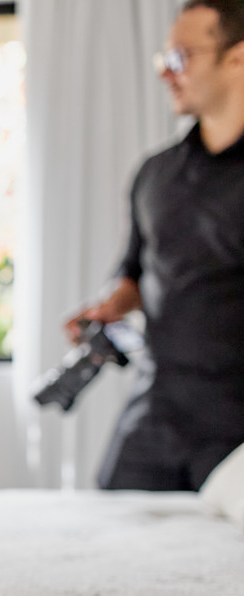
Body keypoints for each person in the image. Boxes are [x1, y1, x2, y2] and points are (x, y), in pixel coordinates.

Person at [66, 0, 244, 491]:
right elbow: (134, 273)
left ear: (237, 57)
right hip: (157, 409)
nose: (167, 73)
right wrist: (108, 308)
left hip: (236, 423)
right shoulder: (156, 174)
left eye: (182, 57)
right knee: (108, 539)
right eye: (163, 59)